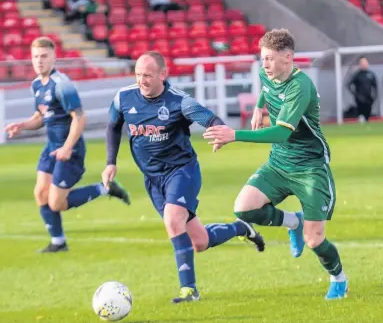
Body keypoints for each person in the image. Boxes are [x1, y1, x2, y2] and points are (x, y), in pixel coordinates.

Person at [102, 51, 265, 304]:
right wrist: (110, 163)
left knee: (172, 220)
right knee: (199, 242)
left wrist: (219, 133)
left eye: (147, 75)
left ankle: (189, 291)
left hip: (182, 172)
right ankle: (240, 228)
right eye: (138, 74)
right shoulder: (123, 97)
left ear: (162, 75)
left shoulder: (179, 101)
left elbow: (209, 118)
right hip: (153, 180)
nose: (141, 80)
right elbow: (113, 125)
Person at [202, 29, 348, 300]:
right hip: (279, 162)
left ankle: (338, 278)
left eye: (269, 59)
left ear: (288, 58)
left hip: (309, 168)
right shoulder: (266, 73)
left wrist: (234, 134)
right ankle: (293, 221)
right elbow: (265, 88)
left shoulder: (300, 86)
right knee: (243, 209)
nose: (264, 64)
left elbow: (281, 133)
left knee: (314, 240)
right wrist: (259, 106)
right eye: (262, 58)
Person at [4, 36, 131, 253]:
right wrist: (22, 125)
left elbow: (80, 118)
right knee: (40, 194)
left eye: (44, 56)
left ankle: (105, 188)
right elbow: (41, 116)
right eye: (35, 57)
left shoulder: (62, 85)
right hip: (51, 146)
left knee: (56, 203)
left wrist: (67, 147)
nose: (39, 61)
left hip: (69, 149)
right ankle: (58, 242)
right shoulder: (37, 85)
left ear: (54, 57)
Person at [347, 56, 378, 122]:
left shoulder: (371, 74)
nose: (364, 64)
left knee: (367, 116)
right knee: (361, 116)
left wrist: (374, 96)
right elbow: (348, 85)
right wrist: (356, 95)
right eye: (362, 62)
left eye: (365, 62)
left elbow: (375, 86)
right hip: (360, 99)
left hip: (369, 98)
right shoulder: (357, 75)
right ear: (360, 64)